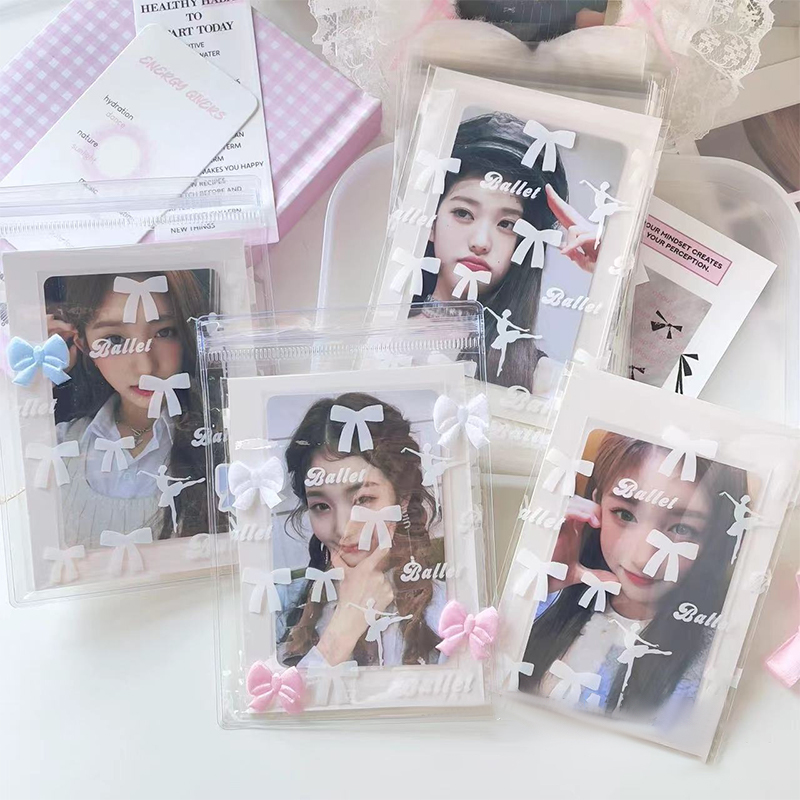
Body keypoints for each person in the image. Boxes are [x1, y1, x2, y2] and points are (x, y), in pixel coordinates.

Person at [519, 432, 748, 721]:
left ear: (714, 539)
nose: (644, 558)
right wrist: (531, 594)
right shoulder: (545, 596)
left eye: (682, 529)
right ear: (596, 503)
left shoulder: (715, 660)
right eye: (625, 515)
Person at [417, 112, 599, 393]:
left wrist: (606, 271)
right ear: (431, 223)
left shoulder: (542, 379)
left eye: (507, 224)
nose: (480, 242)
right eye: (463, 213)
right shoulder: (378, 331)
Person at [45, 270, 213, 547]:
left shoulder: (219, 442)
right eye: (115, 339)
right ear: (83, 345)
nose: (145, 366)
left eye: (164, 332)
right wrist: (30, 378)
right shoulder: (56, 446)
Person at [277, 392, 446, 668]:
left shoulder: (446, 614)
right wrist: (344, 627)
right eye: (321, 506)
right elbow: (280, 696)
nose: (344, 528)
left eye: (364, 499)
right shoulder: (286, 612)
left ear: (402, 498)